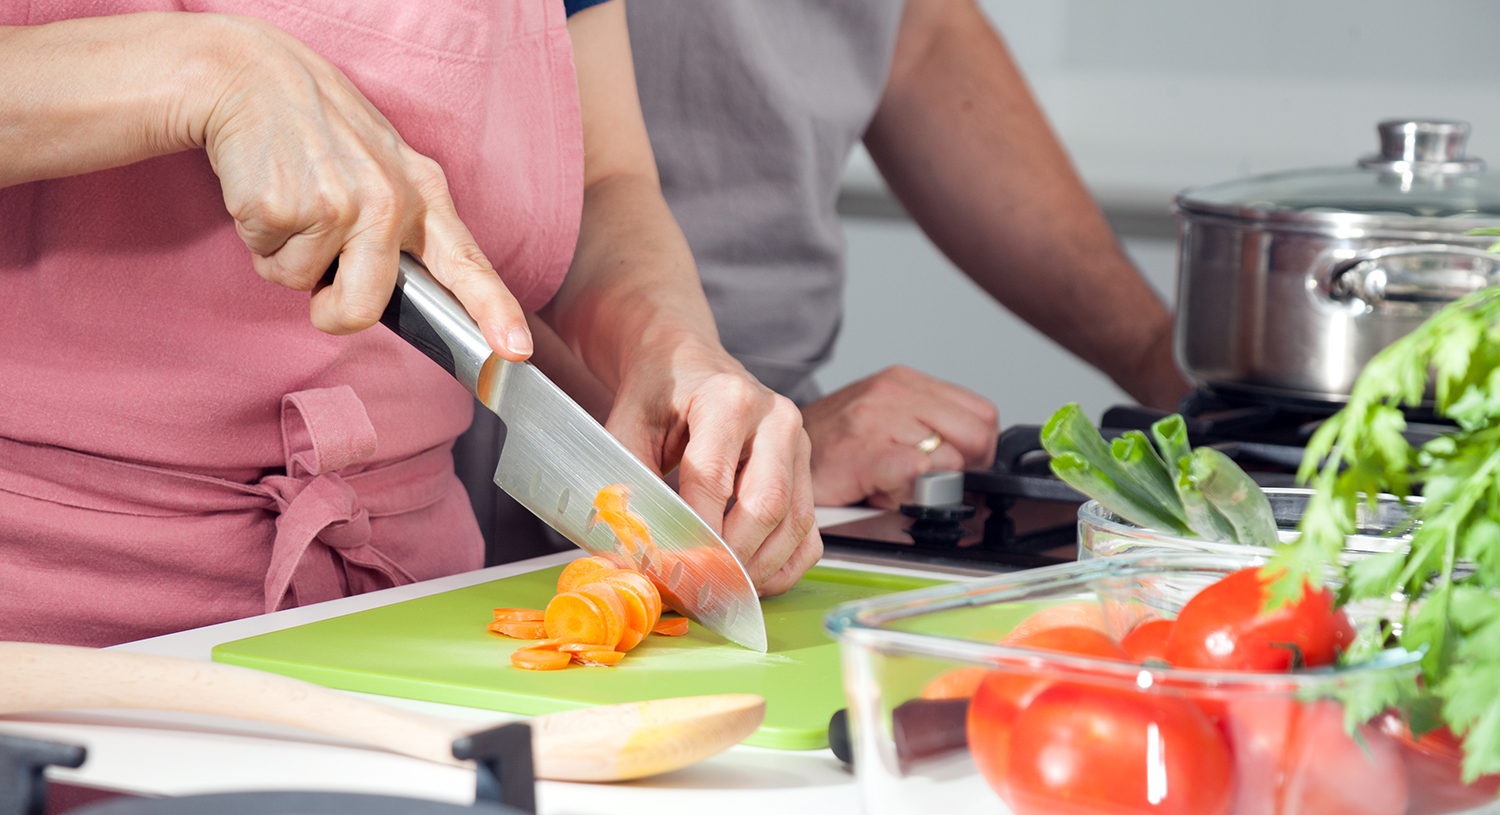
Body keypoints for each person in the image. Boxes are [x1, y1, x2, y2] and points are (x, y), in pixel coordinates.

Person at [0, 0, 819, 648]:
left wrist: (671, 348)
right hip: (48, 631)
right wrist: (208, 69)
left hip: (408, 606)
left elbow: (600, 178)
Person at [624, 0, 1192, 509]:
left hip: (763, 443)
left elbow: (917, 32)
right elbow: (580, 196)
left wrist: (1157, 357)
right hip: (592, 456)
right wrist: (703, 449)